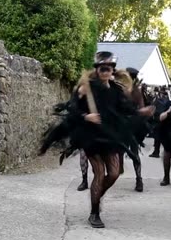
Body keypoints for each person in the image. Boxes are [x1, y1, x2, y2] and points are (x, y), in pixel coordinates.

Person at [39, 51, 154, 228]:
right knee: (99, 173)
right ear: (97, 70)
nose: (105, 72)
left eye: (108, 69)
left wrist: (141, 112)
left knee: (115, 173)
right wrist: (87, 116)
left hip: (109, 135)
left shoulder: (116, 90)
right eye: (102, 69)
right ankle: (94, 213)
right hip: (90, 137)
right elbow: (72, 110)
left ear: (112, 71)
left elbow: (125, 109)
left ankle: (96, 195)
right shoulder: (86, 87)